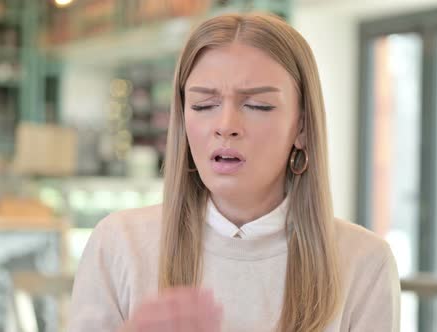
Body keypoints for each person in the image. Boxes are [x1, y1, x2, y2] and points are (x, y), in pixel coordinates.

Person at [68, 12, 400, 332]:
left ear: (302, 126)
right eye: (203, 106)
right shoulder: (119, 244)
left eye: (258, 106)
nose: (226, 126)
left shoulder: (364, 262)